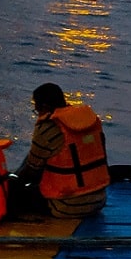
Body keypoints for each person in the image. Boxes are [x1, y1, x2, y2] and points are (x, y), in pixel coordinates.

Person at [12, 83, 110, 218]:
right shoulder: (92, 121)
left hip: (65, 205)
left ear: (45, 107)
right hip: (99, 200)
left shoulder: (48, 128)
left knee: (16, 195)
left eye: (37, 110)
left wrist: (12, 183)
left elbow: (32, 173)